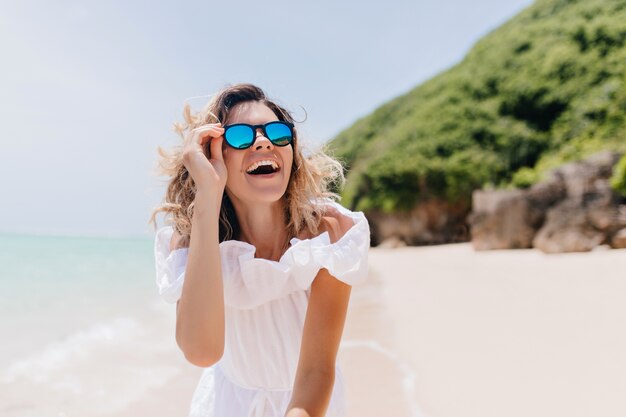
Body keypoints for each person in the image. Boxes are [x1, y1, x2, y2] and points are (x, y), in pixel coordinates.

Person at [149, 83, 370, 417]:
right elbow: (202, 352)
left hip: (309, 403)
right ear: (213, 155)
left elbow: (317, 370)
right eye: (240, 137)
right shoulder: (191, 244)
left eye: (278, 133)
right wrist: (207, 196)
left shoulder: (328, 234)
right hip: (225, 405)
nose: (264, 141)